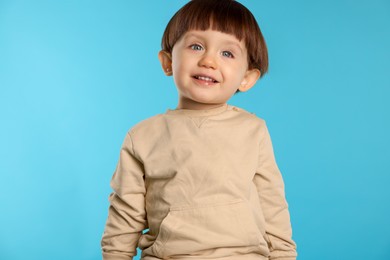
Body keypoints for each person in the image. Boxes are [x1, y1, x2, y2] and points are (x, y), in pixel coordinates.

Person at [101, 0, 297, 259]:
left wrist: (283, 255)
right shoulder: (143, 137)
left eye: (227, 53)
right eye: (196, 46)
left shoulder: (253, 130)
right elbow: (125, 214)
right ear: (168, 62)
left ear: (247, 78)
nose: (208, 61)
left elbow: (272, 205)